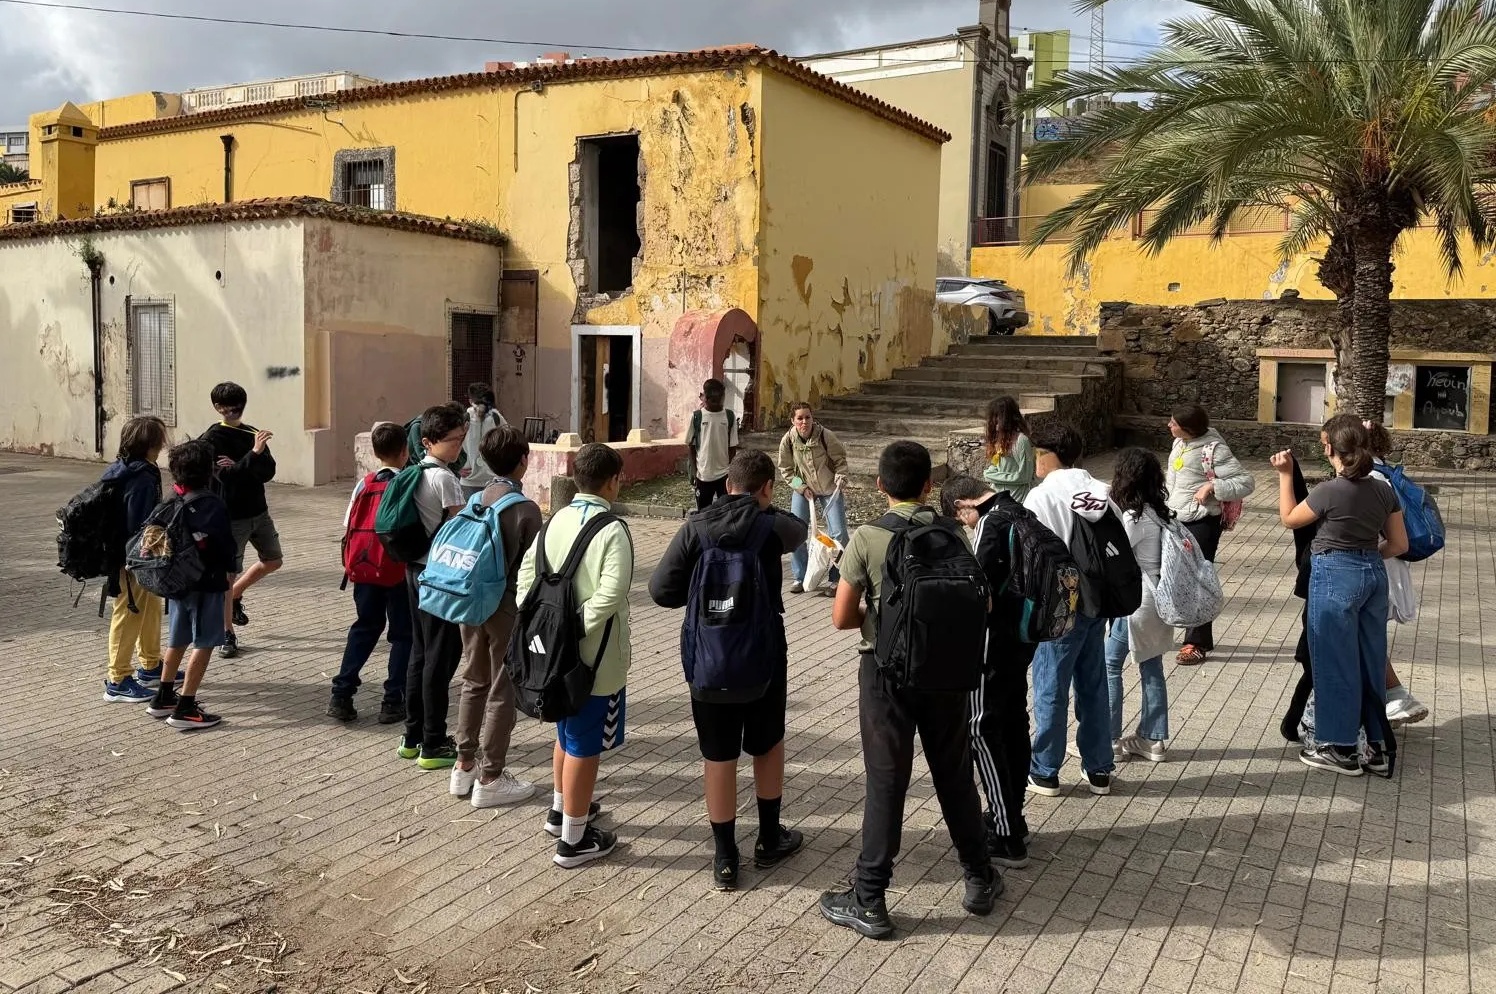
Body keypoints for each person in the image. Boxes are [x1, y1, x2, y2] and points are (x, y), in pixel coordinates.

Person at [819, 441, 999, 940]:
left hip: (885, 676)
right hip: (948, 674)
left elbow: (840, 618)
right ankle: (979, 877)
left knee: (887, 781)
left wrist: (880, 617)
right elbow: (981, 606)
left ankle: (870, 898)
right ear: (928, 487)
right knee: (955, 775)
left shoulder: (867, 538)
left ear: (879, 486)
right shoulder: (952, 535)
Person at [649, 450, 809, 890]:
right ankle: (769, 838)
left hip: (709, 659)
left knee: (717, 756)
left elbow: (661, 590)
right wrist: (764, 506)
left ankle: (724, 856)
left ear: (726, 484)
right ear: (766, 488)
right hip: (763, 658)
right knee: (768, 743)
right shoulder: (772, 525)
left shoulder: (696, 526)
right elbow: (800, 530)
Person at [516, 443, 635, 868]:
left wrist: (536, 621)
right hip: (594, 656)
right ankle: (574, 839)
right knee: (586, 742)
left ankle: (560, 809)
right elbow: (612, 592)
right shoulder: (612, 530)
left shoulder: (555, 520)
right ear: (611, 481)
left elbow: (527, 574)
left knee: (565, 732)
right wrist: (579, 625)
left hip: (549, 653)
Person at [1270, 416, 1408, 775]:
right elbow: (1398, 544)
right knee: (1369, 660)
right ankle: (1376, 747)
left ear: (1329, 447)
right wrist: (1364, 555)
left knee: (1334, 663)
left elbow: (1289, 518)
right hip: (1373, 577)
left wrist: (1286, 475)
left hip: (1335, 576)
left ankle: (1341, 748)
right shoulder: (1383, 489)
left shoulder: (1329, 491)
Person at [940, 475, 1035, 869]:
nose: (967, 526)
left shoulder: (992, 524)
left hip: (992, 646)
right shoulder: (1020, 511)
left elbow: (976, 589)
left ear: (965, 505)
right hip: (1021, 641)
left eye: (962, 520)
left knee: (981, 728)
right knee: (1014, 725)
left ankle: (1006, 833)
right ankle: (1014, 815)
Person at [1023, 422, 1117, 797]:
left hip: (1058, 602)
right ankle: (1098, 768)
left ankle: (1045, 769)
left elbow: (1031, 558)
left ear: (1047, 456)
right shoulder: (1100, 490)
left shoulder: (1040, 497)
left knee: (1051, 684)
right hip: (1096, 600)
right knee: (1093, 682)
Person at [450, 424, 541, 808]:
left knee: (473, 680)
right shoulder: (525, 509)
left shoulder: (476, 499)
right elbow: (535, 568)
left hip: (470, 604)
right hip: (506, 607)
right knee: (504, 687)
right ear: (524, 460)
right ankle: (491, 776)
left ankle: (463, 765)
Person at [146, 439, 236, 731]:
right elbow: (223, 546)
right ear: (208, 469)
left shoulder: (172, 499)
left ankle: (163, 697)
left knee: (178, 638)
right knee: (206, 641)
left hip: (178, 583)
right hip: (206, 582)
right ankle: (186, 706)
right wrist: (229, 570)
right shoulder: (210, 504)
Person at [398, 405, 469, 770]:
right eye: (452, 441)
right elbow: (459, 533)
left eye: (461, 438)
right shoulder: (444, 479)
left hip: (413, 571)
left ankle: (411, 737)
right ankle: (433, 742)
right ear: (428, 441)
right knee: (439, 661)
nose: (458, 446)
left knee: (420, 654)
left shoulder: (414, 472)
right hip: (438, 576)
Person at [328, 422, 412, 725]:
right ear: (405, 451)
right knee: (403, 635)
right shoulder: (410, 483)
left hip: (363, 568)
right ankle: (393, 701)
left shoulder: (364, 483)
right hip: (399, 570)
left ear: (375, 453)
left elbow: (348, 526)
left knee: (365, 628)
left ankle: (342, 694)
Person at [1165, 404, 1255, 664]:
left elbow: (1245, 482)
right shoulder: (1179, 444)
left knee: (1198, 580)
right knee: (1175, 577)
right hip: (1176, 519)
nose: (1169, 425)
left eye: (1174, 422)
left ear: (1189, 427)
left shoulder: (1213, 449)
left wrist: (1212, 487)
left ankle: (1196, 642)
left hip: (1201, 523)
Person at [201, 382, 282, 660]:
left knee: (273, 560)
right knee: (227, 574)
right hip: (230, 517)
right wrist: (253, 456)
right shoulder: (211, 438)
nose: (233, 411)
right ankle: (227, 633)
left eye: (237, 405)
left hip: (258, 511)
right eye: (226, 406)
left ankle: (235, 594)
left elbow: (268, 471)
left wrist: (243, 463)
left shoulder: (251, 433)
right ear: (216, 408)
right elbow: (225, 477)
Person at [1105, 448, 1176, 763]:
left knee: (1109, 665)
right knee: (1151, 665)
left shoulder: (1133, 517)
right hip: (1159, 599)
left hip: (1137, 601)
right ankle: (1153, 737)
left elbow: (1114, 555)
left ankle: (1108, 739)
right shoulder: (1160, 512)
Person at [1366, 423, 1431, 727]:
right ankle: (1388, 701)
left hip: (1379, 565)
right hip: (1389, 564)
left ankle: (1396, 697)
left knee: (1366, 636)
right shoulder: (1385, 472)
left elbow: (1391, 536)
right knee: (1367, 635)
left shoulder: (1373, 478)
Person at [102, 416, 170, 703]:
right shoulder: (141, 477)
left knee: (150, 606)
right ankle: (117, 679)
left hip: (128, 553)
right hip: (133, 557)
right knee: (128, 612)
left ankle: (151, 664)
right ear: (152, 444)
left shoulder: (127, 468)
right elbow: (141, 524)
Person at [776, 403, 850, 595]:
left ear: (812, 418)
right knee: (797, 531)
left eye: (807, 417)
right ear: (793, 421)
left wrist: (841, 477)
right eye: (799, 418)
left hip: (828, 488)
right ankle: (801, 577)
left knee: (839, 533)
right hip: (805, 490)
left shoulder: (825, 436)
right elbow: (786, 470)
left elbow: (841, 461)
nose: (804, 422)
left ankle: (836, 578)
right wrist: (801, 487)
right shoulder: (788, 441)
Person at [686, 379, 738, 512]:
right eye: (712, 400)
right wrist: (694, 471)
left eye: (719, 399)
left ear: (723, 397)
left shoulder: (729, 416)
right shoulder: (697, 417)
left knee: (726, 512)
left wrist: (731, 472)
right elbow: (691, 446)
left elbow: (732, 447)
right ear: (705, 398)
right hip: (703, 475)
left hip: (724, 474)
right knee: (704, 513)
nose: (716, 403)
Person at [460, 383, 509, 500]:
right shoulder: (497, 417)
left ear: (470, 400)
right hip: (493, 479)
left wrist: (457, 466)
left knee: (469, 516)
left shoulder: (463, 418)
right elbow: (508, 442)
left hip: (468, 479)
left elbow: (452, 442)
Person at [982, 396, 1036, 502]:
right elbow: (995, 465)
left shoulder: (1021, 440)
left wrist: (992, 476)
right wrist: (990, 473)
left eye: (998, 416)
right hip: (998, 496)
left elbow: (1025, 476)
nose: (994, 421)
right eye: (993, 416)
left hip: (1016, 499)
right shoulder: (1000, 439)